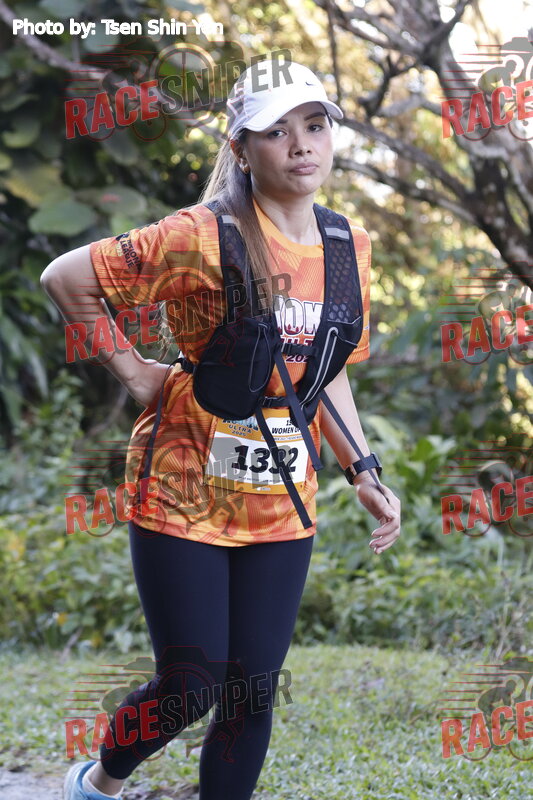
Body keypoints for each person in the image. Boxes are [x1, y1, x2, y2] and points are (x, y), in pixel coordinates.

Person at [41, 56, 401, 800]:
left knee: (252, 692)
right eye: (276, 131)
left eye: (315, 125)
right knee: (192, 682)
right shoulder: (199, 236)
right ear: (241, 147)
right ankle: (98, 785)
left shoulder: (348, 246)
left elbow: (327, 369)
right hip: (182, 484)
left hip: (280, 496)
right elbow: (66, 279)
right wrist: (138, 374)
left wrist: (361, 469)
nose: (301, 145)